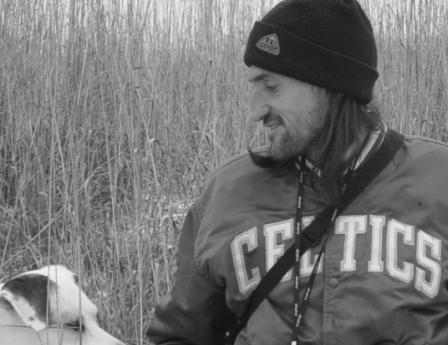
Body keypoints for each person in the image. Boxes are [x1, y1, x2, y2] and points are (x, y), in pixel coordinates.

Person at [146, 0, 448, 344]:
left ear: (332, 85)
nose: (255, 110)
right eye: (253, 86)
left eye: (271, 86)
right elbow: (179, 336)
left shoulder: (439, 182)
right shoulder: (226, 194)